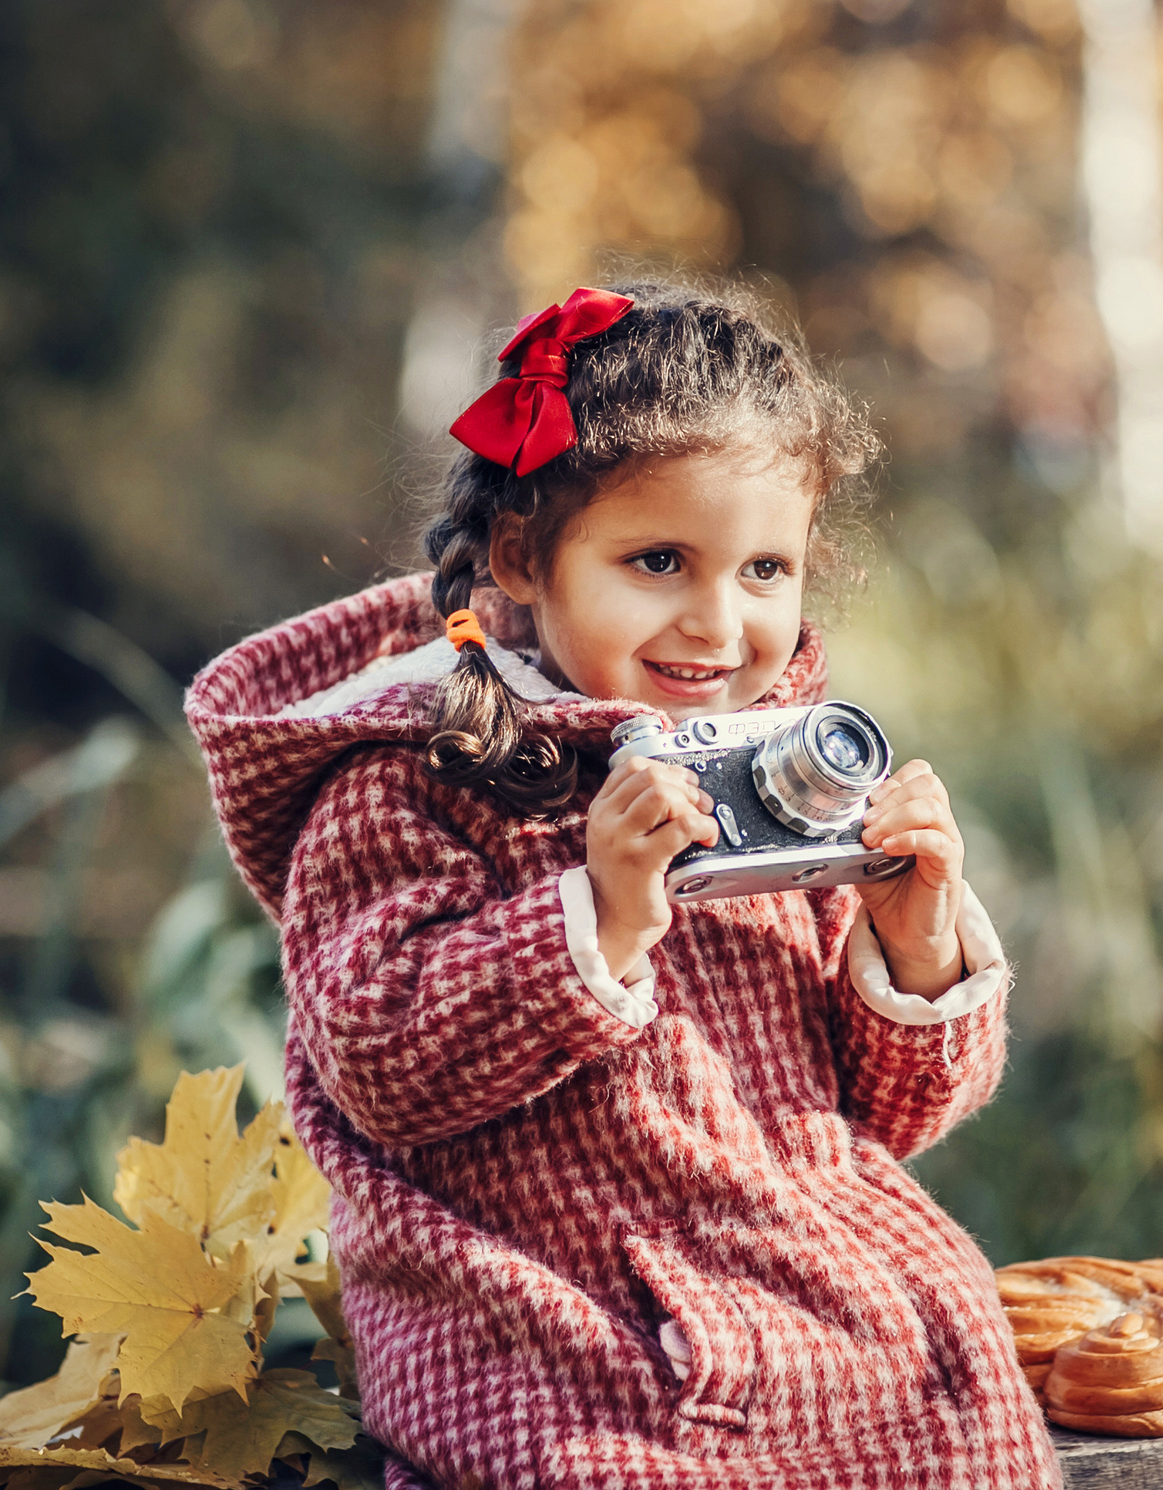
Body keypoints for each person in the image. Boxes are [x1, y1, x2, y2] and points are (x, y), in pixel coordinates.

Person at [188, 279, 1060, 1490]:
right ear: (521, 555)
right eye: (659, 561)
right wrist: (595, 919)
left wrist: (916, 948)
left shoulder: (774, 768)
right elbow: (375, 1064)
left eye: (765, 568)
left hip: (814, 1287)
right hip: (549, 1317)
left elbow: (889, 1116)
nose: (717, 622)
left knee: (961, 1403)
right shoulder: (408, 781)